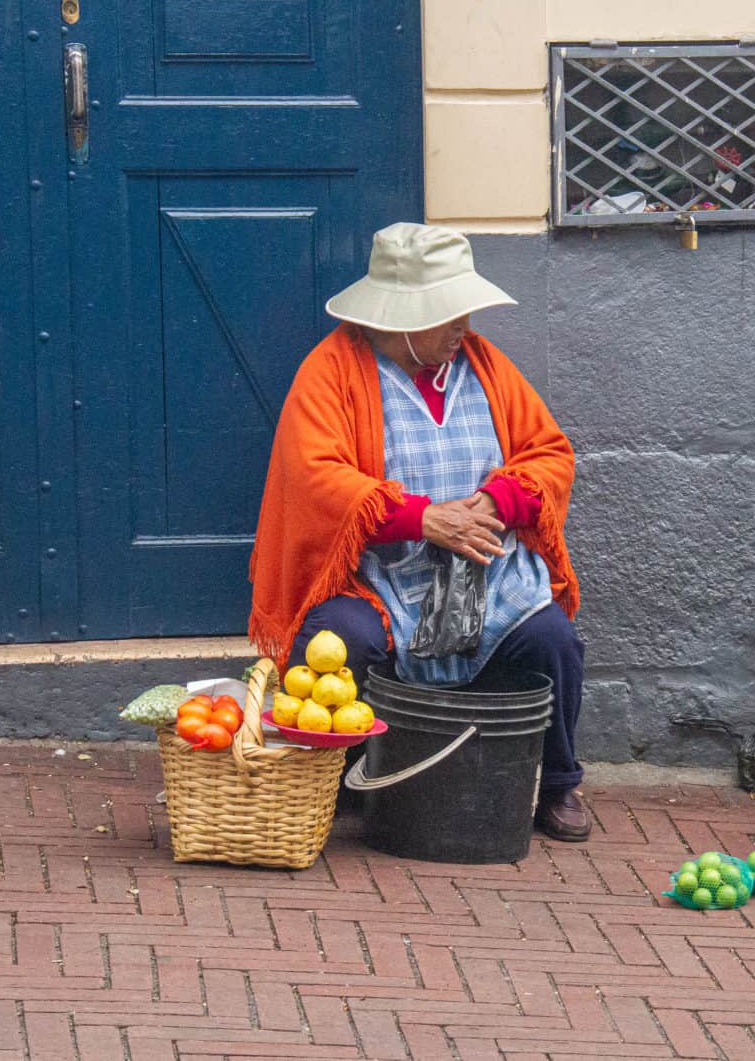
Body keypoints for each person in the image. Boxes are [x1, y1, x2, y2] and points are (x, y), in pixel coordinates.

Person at [248, 223, 591, 842]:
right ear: (403, 315)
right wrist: (423, 519)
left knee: (552, 641)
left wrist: (500, 500)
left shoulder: (484, 364)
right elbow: (314, 475)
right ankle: (324, 777)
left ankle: (558, 783)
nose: (463, 327)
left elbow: (549, 452)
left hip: (488, 576)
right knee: (339, 638)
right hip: (378, 579)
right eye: (448, 314)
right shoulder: (332, 371)